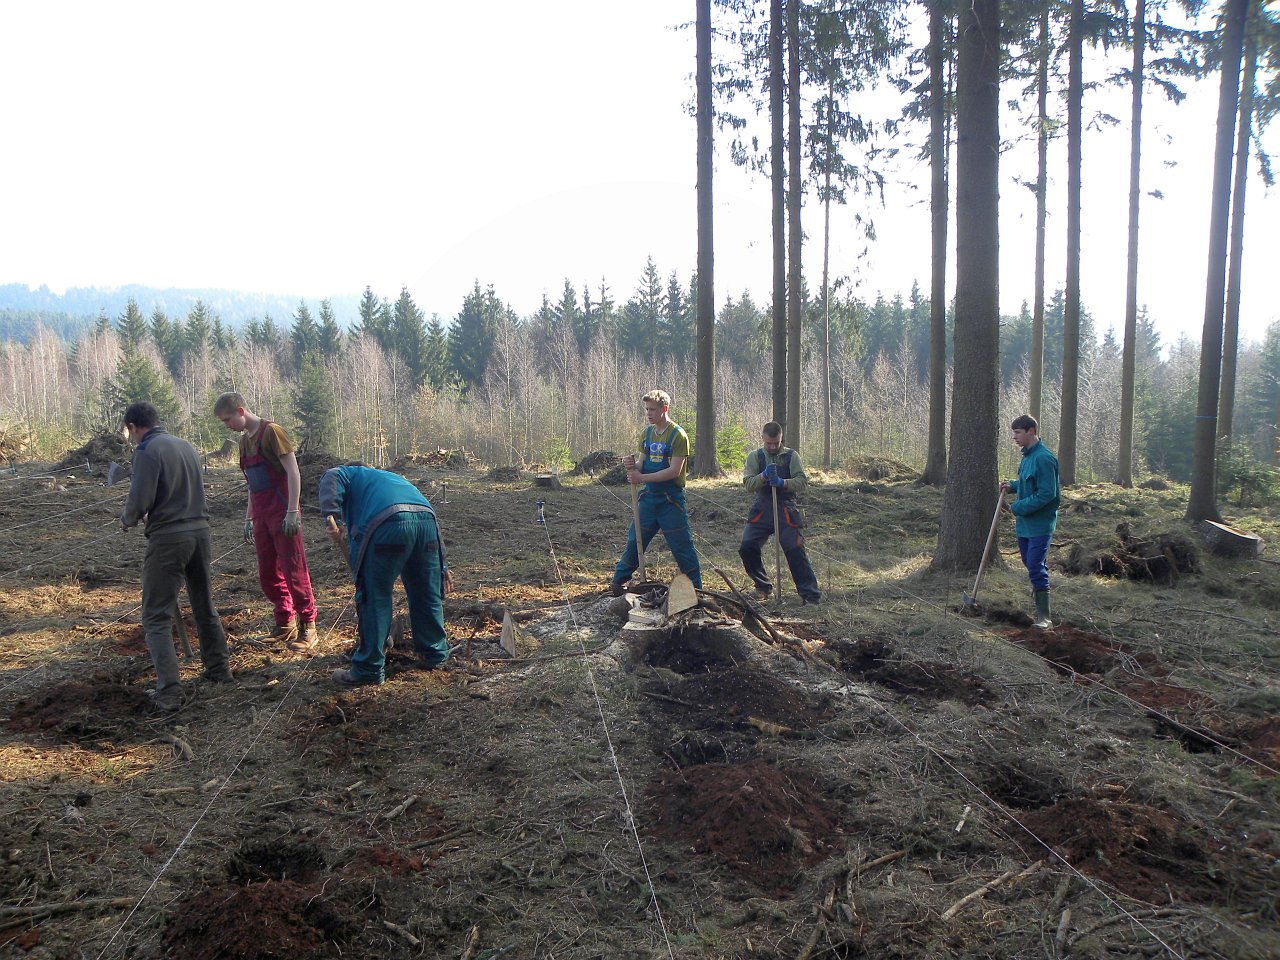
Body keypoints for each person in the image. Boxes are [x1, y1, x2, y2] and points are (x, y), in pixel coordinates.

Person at [119, 401, 233, 711]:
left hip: (169, 537)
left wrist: (127, 518)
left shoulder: (146, 451)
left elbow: (140, 498)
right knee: (204, 604)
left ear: (133, 427)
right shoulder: (186, 446)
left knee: (155, 615)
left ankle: (169, 692)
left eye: (130, 432)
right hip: (200, 532)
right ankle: (219, 669)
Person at [318, 465, 452, 687]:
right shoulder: (389, 478)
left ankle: (368, 668)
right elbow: (431, 522)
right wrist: (443, 566)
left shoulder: (346, 472)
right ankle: (435, 654)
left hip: (388, 524)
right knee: (426, 593)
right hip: (427, 523)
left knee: (375, 594)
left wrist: (333, 518)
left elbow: (332, 477)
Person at [213, 393, 317, 651]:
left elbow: (293, 472)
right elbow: (252, 483)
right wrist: (249, 516)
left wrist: (292, 510)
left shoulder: (272, 432)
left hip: (282, 510)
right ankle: (285, 622)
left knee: (294, 569)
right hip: (261, 514)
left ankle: (309, 625)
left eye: (228, 419)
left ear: (241, 410)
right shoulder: (243, 442)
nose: (227, 425)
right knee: (268, 573)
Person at [610, 389, 703, 594]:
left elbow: (674, 471)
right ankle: (618, 582)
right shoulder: (647, 434)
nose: (648, 413)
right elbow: (642, 464)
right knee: (635, 540)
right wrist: (632, 465)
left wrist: (641, 478)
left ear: (664, 409)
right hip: (649, 498)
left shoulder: (678, 435)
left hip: (671, 500)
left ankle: (697, 589)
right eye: (646, 409)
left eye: (652, 409)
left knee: (681, 545)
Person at [739, 421, 820, 605]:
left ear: (781, 438)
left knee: (795, 549)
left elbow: (802, 481)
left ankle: (810, 595)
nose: (772, 447)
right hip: (762, 508)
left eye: (776, 443)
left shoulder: (792, 456)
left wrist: (783, 482)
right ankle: (762, 586)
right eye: (769, 443)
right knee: (747, 547)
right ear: (762, 438)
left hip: (786, 508)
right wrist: (763, 476)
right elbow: (748, 484)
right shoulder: (755, 457)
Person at [1000, 414, 1061, 629]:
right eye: (1014, 433)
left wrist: (1017, 507)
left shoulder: (1044, 458)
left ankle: (1045, 618)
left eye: (1018, 432)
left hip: (1040, 524)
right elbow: (1028, 483)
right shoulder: (1027, 457)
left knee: (1035, 564)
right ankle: (1038, 601)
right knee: (1029, 562)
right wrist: (1013, 485)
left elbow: (1047, 493)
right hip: (1024, 525)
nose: (1014, 437)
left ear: (1031, 431)